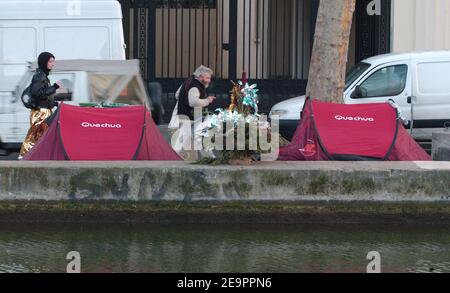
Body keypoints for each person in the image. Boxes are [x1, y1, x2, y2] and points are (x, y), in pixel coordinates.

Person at [19, 52, 63, 159]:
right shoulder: (39, 76)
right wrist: (54, 87)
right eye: (51, 61)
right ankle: (25, 158)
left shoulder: (43, 76)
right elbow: (38, 93)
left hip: (44, 111)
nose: (53, 64)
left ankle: (34, 158)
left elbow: (44, 98)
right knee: (35, 137)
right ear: (44, 62)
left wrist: (55, 103)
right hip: (40, 113)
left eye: (53, 62)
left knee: (41, 138)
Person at [169, 65, 216, 159]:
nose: (209, 80)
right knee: (199, 136)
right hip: (189, 116)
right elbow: (193, 102)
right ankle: (210, 157)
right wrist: (207, 100)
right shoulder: (195, 86)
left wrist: (183, 101)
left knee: (190, 137)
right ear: (200, 76)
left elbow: (177, 94)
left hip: (185, 115)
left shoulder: (189, 81)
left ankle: (172, 156)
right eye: (207, 78)